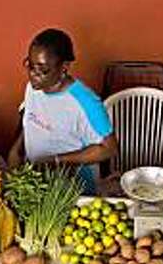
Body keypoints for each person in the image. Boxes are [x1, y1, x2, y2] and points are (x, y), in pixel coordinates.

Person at [7, 28, 117, 194]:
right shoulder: (33, 87)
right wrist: (16, 151)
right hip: (37, 183)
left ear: (64, 67)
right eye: (30, 65)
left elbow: (109, 148)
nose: (33, 75)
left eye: (43, 70)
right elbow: (30, 120)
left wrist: (57, 161)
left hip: (74, 189)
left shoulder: (86, 103)